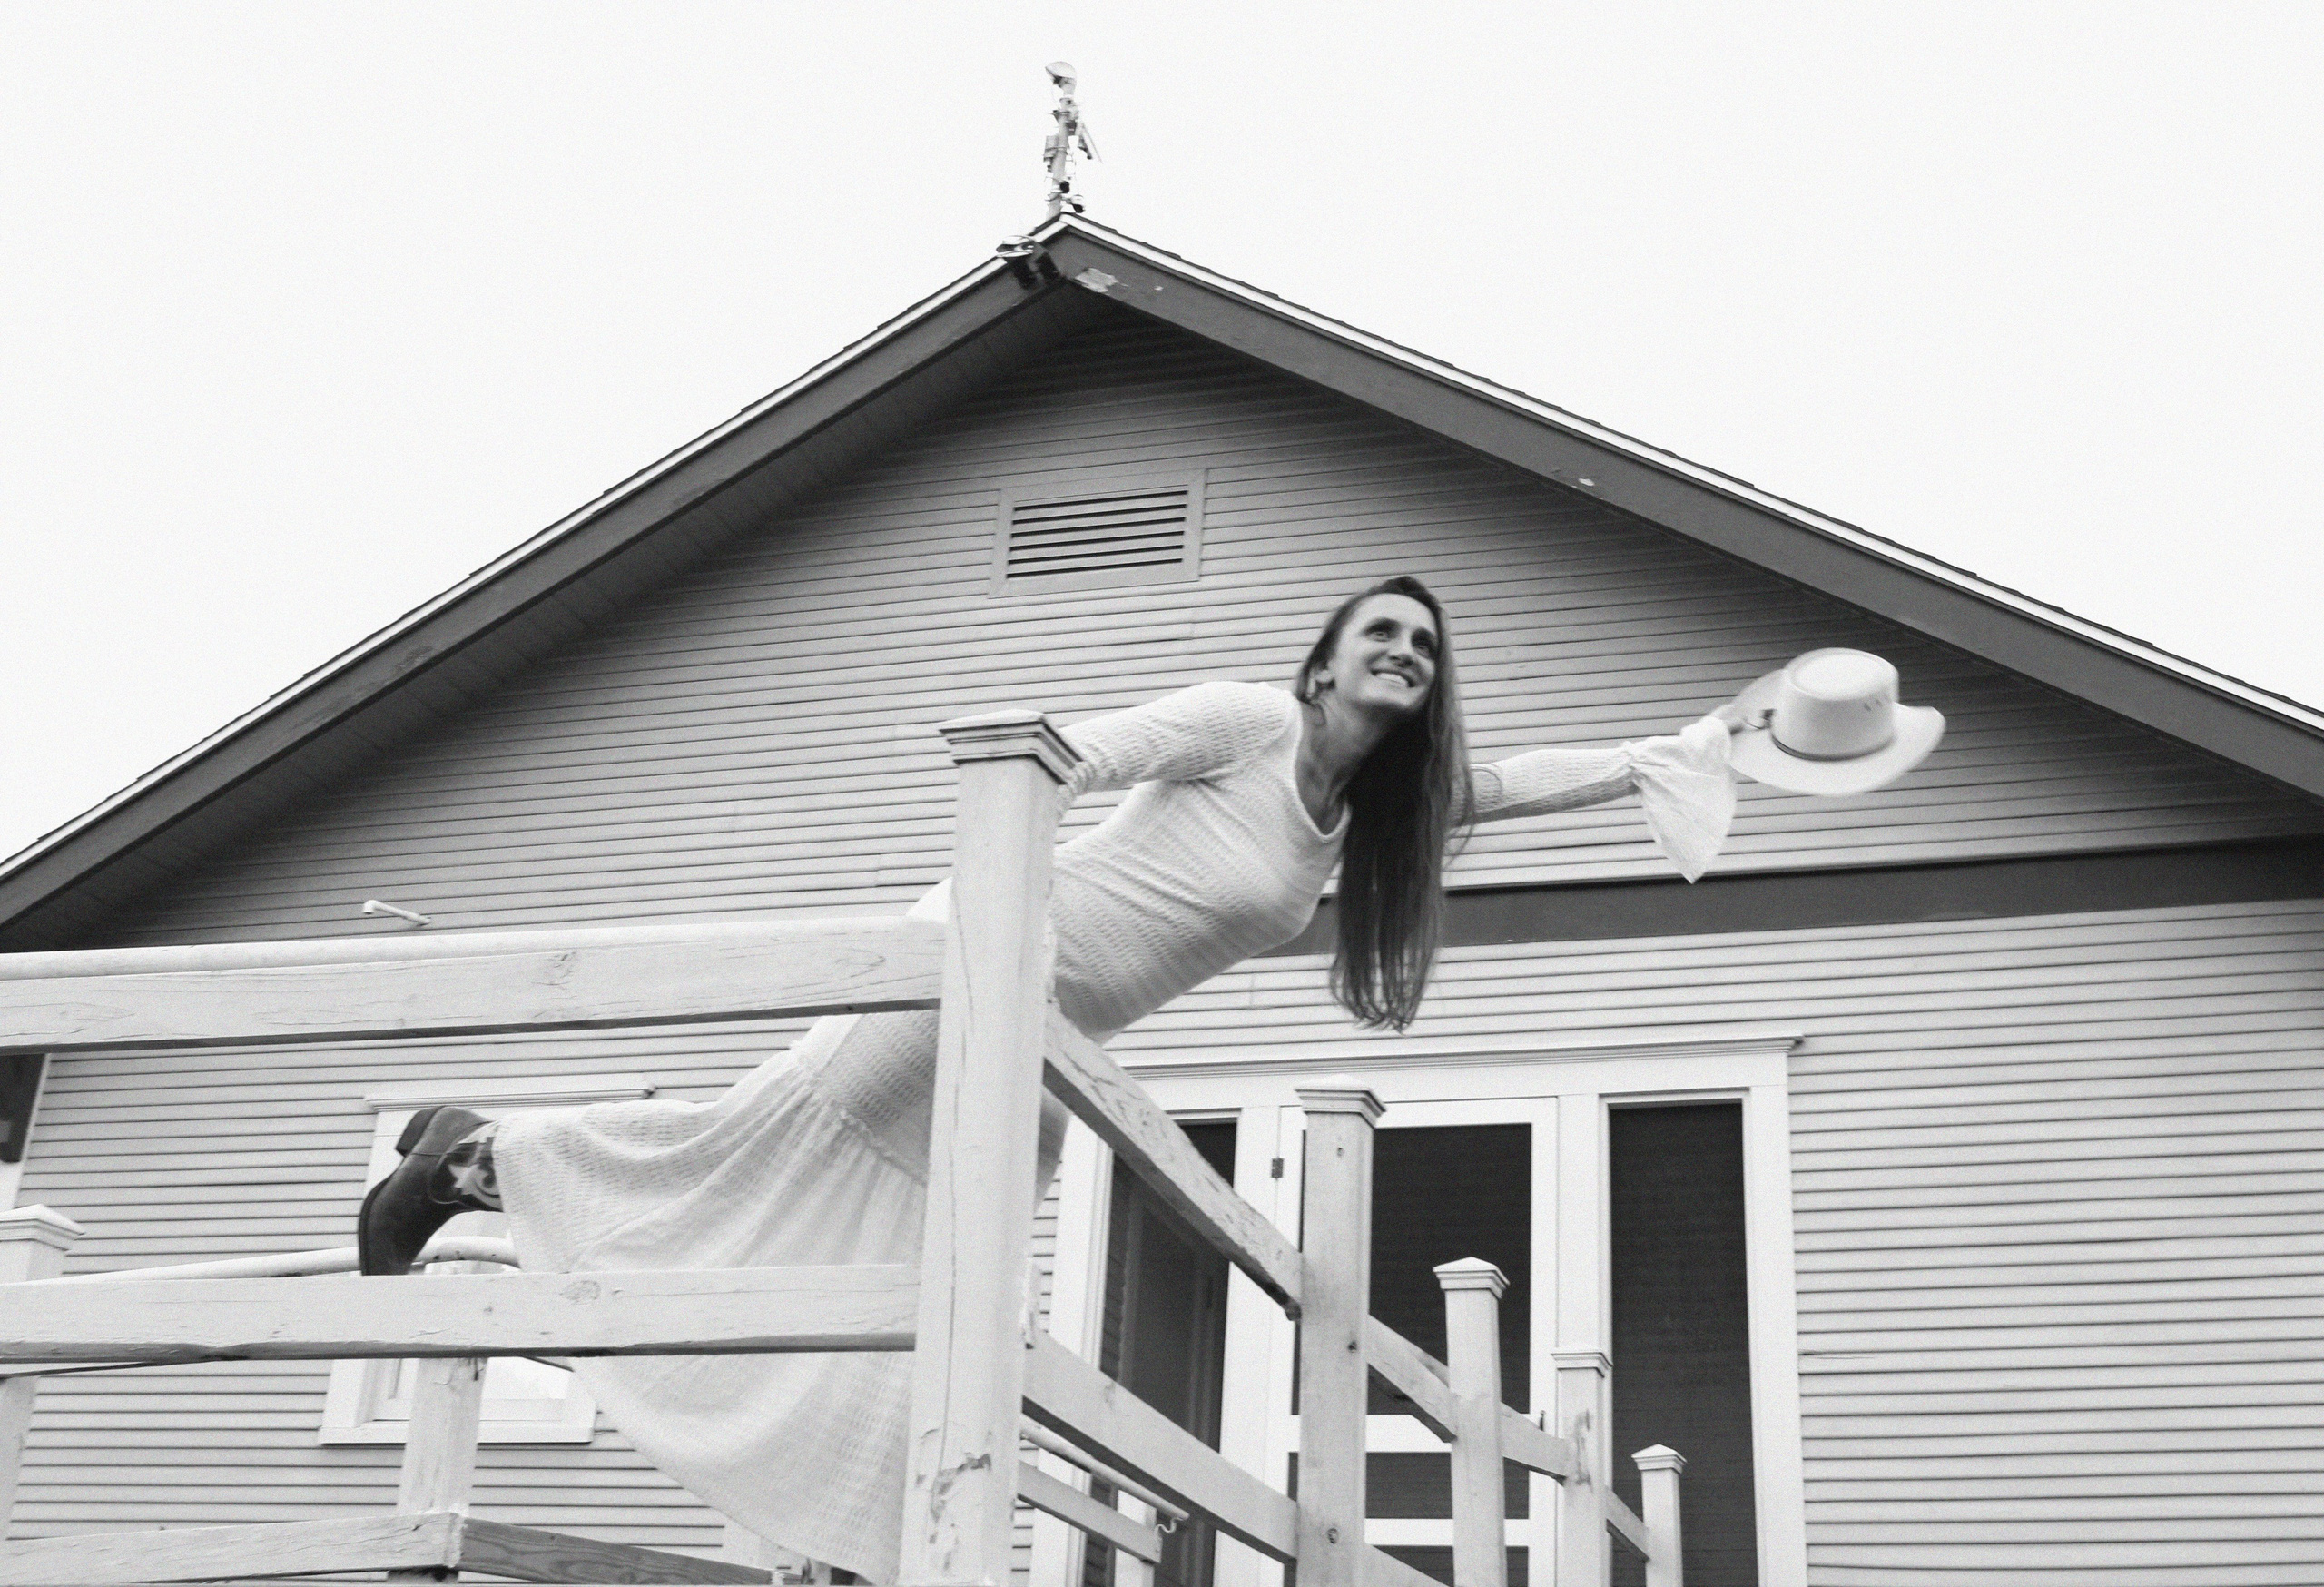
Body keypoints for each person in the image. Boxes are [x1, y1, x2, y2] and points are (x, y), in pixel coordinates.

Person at [356, 575, 1740, 1579]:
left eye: (1427, 646)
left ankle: (853, 1548)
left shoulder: (1372, 816)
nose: (1408, 653)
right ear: (1319, 667)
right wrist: (993, 914)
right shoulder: (1247, 723)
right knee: (762, 1150)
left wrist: (1658, 760)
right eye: (1381, 633)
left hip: (1048, 1045)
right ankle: (473, 1165)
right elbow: (1064, 759)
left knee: (936, 1276)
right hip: (975, 960)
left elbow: (1515, 783)